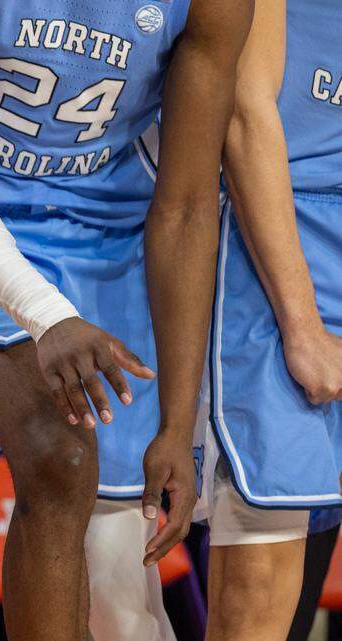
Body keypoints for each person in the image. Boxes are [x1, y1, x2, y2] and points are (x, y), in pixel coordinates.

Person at [0, 2, 252, 641]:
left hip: (112, 224)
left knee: (125, 595)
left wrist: (176, 426)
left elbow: (186, 209)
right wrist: (49, 316)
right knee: (60, 453)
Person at [192, 0, 342, 639]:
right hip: (279, 230)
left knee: (315, 526)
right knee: (270, 525)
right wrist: (302, 326)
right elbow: (244, 117)